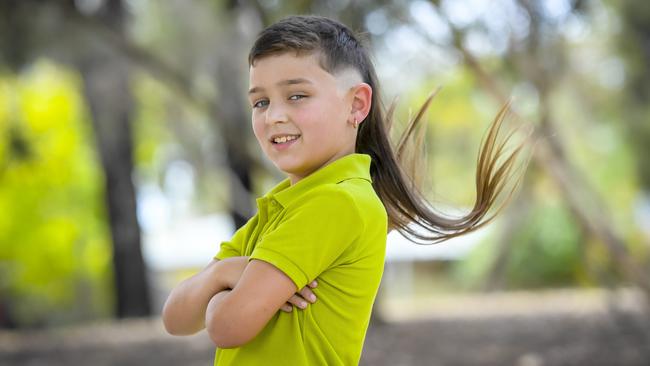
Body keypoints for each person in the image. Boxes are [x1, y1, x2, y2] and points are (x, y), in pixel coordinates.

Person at [162, 15, 529, 365]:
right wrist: (223, 274)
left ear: (357, 105)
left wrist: (221, 282)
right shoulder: (279, 208)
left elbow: (227, 326)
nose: (273, 115)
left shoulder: (337, 202)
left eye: (297, 96)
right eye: (261, 102)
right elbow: (175, 318)